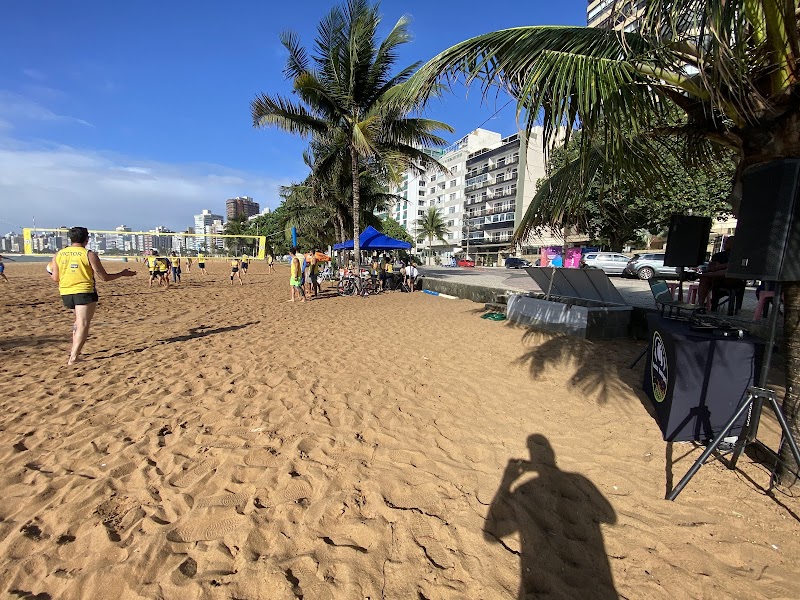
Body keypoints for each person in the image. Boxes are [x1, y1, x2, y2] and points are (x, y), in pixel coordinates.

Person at [49, 226, 136, 365]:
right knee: (83, 323)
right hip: (84, 291)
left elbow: (55, 278)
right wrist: (122, 273)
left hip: (65, 292)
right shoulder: (89, 254)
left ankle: (75, 352)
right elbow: (104, 277)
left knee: (78, 322)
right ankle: (74, 357)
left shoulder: (59, 254)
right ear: (87, 239)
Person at [697, 237, 735, 306]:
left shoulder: (737, 256)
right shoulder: (718, 255)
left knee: (726, 273)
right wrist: (726, 265)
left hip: (730, 280)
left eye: (727, 243)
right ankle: (700, 304)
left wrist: (720, 266)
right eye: (725, 242)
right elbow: (711, 267)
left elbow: (731, 269)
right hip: (715, 278)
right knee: (704, 279)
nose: (724, 244)